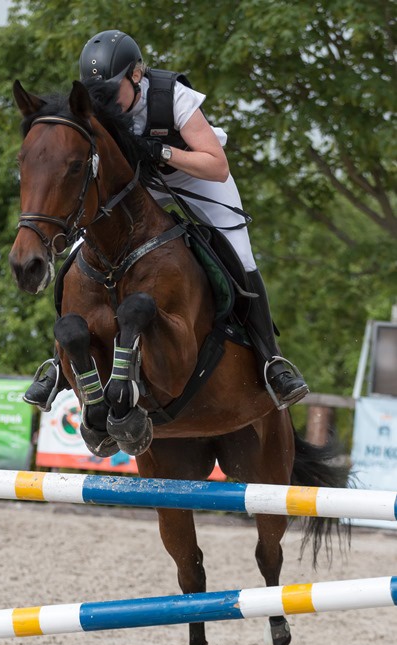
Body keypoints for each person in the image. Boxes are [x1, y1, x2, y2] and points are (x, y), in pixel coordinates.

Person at [24, 30, 308, 411]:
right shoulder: (92, 111)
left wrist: (163, 151)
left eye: (110, 90)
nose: (101, 100)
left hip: (197, 178)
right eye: (94, 92)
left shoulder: (172, 97)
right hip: (141, 187)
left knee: (240, 255)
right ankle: (58, 364)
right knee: (80, 255)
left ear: (136, 75)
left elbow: (217, 166)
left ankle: (271, 361)